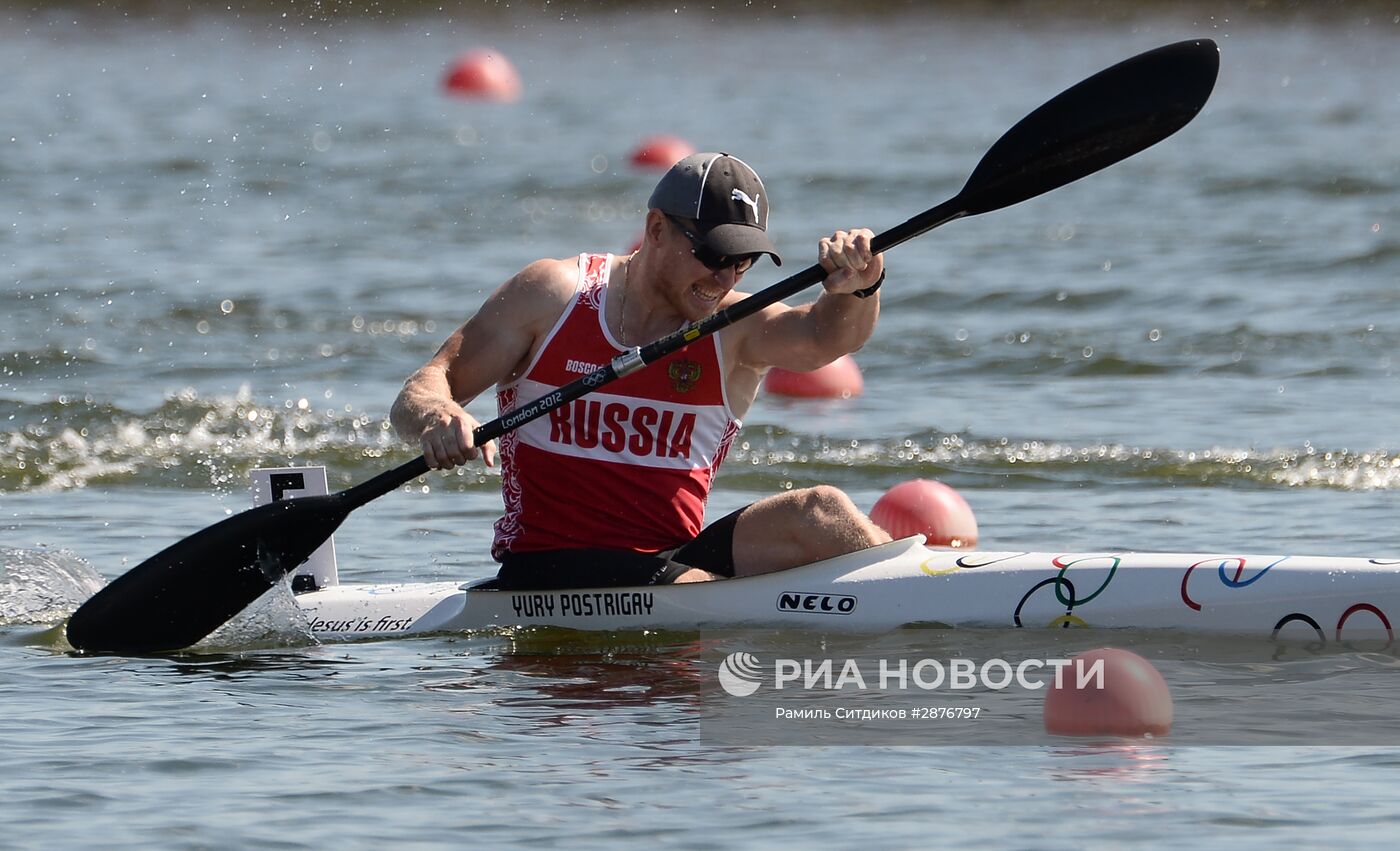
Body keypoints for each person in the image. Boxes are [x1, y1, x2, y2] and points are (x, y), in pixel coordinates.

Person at [391, 152, 892, 590]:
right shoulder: (552, 296)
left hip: (669, 564)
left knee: (822, 512)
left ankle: (917, 585)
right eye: (714, 255)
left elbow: (824, 337)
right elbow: (422, 388)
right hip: (546, 566)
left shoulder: (733, 326)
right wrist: (439, 415)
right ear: (656, 229)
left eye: (743, 262)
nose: (725, 279)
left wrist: (858, 286)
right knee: (698, 589)